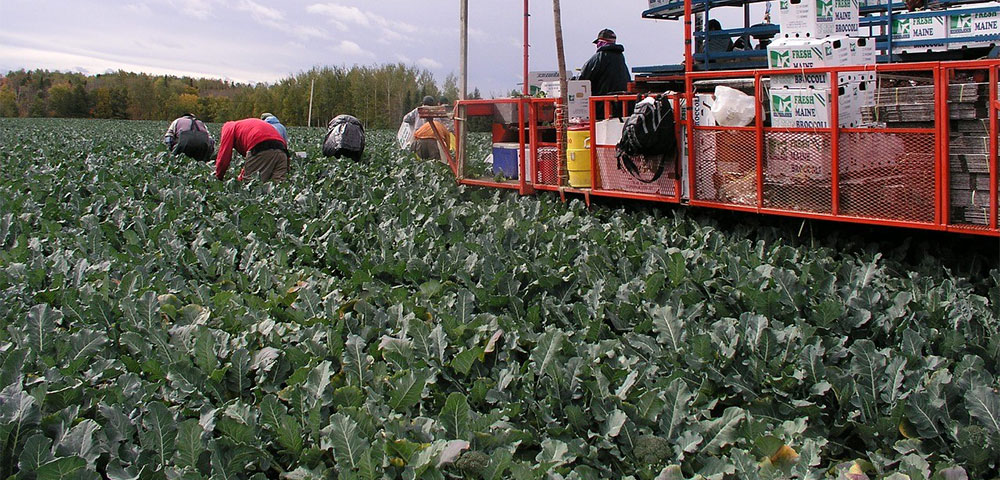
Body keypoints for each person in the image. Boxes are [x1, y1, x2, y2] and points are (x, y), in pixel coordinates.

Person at [214, 118, 289, 182]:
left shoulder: (229, 128)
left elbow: (224, 156)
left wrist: (218, 178)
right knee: (278, 187)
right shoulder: (246, 125)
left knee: (251, 184)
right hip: (282, 151)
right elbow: (250, 161)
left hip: (261, 147)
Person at [579, 29, 630, 118]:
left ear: (600, 42)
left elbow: (582, 78)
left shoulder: (599, 57)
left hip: (601, 108)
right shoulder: (620, 58)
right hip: (621, 107)